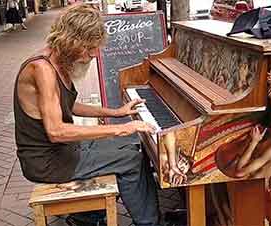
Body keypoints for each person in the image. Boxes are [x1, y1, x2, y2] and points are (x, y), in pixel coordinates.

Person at [14, 4, 162, 226]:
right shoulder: (42, 70)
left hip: (63, 151)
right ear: (70, 40)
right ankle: (148, 222)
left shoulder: (58, 61)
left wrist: (116, 112)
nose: (94, 53)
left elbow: (71, 105)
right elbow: (56, 131)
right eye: (88, 47)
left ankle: (90, 214)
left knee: (132, 145)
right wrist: (122, 126)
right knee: (130, 159)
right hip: (48, 161)